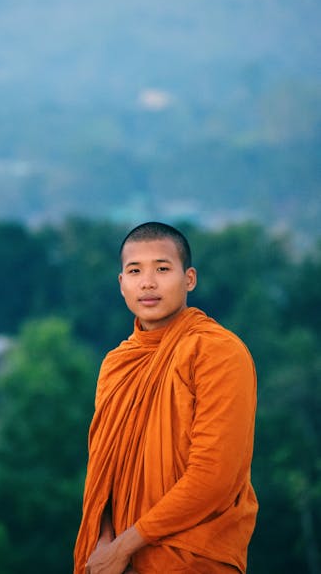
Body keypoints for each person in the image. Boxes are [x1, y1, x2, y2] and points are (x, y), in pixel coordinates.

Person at [74, 222, 258, 574]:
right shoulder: (117, 363)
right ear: (121, 284)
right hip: (119, 562)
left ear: (189, 279)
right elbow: (105, 472)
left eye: (162, 269)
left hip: (191, 558)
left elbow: (213, 478)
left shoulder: (217, 351)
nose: (148, 282)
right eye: (135, 271)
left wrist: (127, 543)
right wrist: (107, 545)